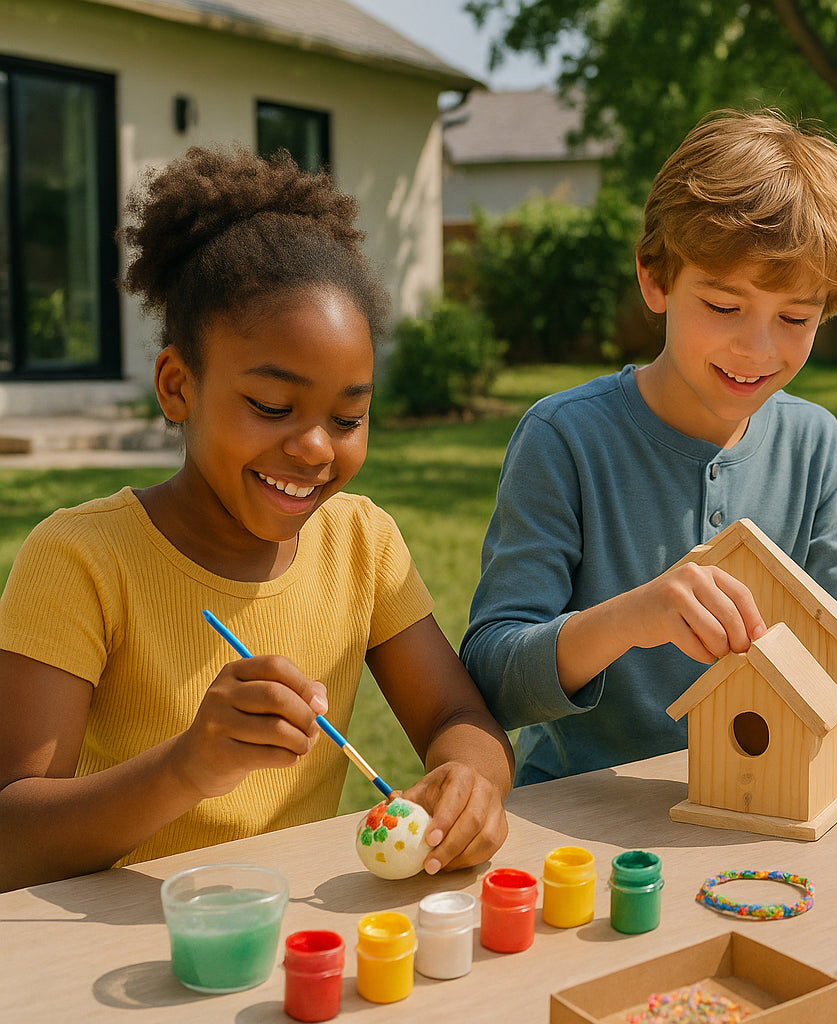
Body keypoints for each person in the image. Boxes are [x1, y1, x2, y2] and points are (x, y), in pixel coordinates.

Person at [0, 147, 514, 892]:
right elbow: (12, 838)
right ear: (177, 386)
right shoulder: (81, 559)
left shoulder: (362, 545)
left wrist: (469, 781)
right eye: (272, 407)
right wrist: (188, 767)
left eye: (349, 416)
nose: (312, 447)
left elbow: (456, 714)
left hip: (296, 945)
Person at [461, 109, 837, 786]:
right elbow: (492, 675)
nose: (758, 349)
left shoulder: (813, 442)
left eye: (795, 319)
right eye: (724, 307)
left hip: (763, 805)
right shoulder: (564, 440)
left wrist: (784, 673)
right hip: (583, 818)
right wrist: (630, 619)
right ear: (655, 280)